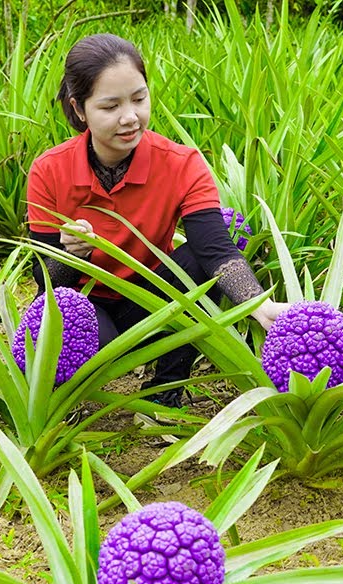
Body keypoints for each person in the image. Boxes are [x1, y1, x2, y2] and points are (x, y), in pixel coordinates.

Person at [25, 33, 289, 407]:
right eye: (110, 106)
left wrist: (256, 305)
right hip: (88, 308)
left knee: (201, 257)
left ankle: (166, 391)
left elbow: (215, 250)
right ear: (79, 109)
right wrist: (72, 255)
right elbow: (46, 282)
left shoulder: (182, 164)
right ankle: (58, 401)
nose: (130, 117)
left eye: (139, 98)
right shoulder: (49, 170)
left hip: (153, 300)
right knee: (65, 317)